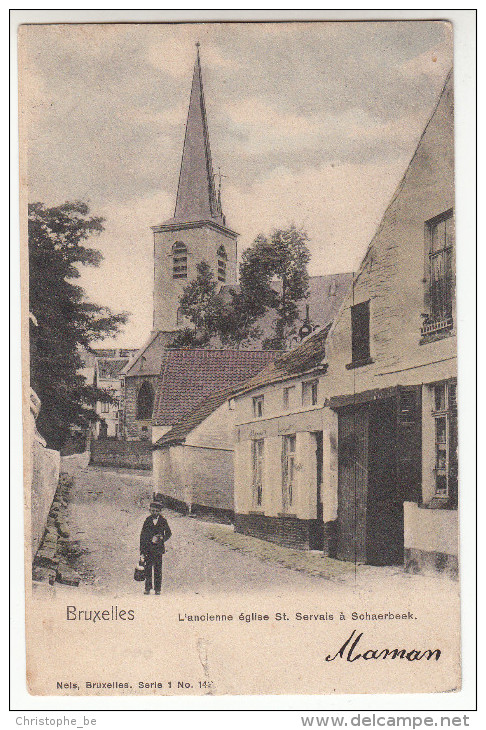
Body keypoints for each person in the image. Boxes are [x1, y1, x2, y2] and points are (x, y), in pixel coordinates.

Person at [139, 501, 172, 595]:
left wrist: (162, 539)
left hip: (158, 549)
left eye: (157, 511)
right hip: (148, 549)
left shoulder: (163, 521)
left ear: (160, 511)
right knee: (147, 569)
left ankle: (158, 589)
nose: (154, 513)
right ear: (149, 510)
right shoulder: (147, 520)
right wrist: (142, 551)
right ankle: (147, 588)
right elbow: (142, 536)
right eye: (152, 511)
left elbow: (169, 533)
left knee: (158, 569)